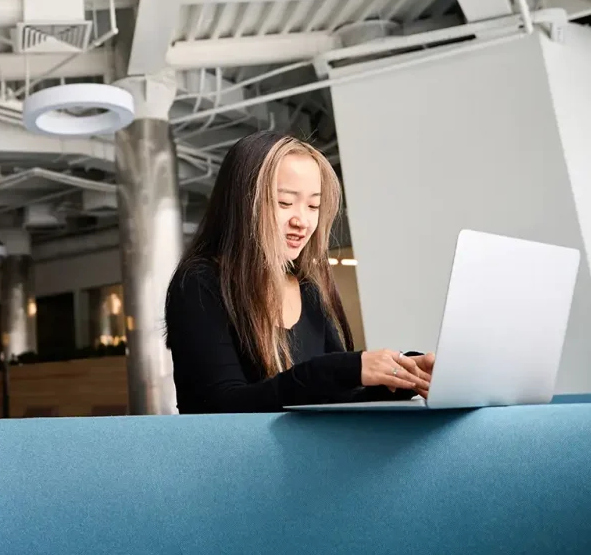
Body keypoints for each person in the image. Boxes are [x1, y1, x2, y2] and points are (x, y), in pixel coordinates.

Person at [165, 130, 434, 414]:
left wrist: (402, 375)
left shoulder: (307, 289)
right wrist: (345, 368)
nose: (302, 221)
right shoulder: (200, 283)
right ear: (243, 203)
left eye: (313, 205)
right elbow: (222, 407)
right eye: (284, 202)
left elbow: (337, 395)